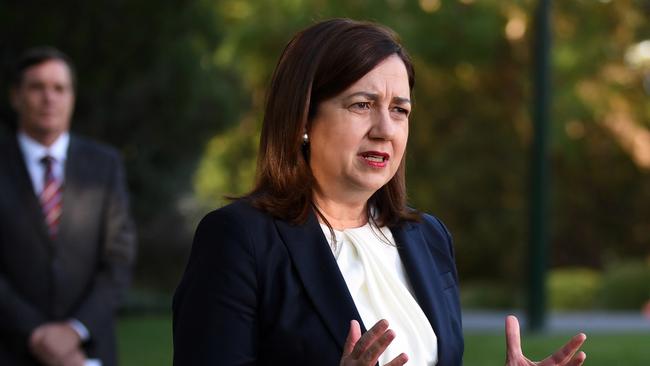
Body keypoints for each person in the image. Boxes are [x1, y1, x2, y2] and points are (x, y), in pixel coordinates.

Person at [173, 19, 587, 365]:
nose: (385, 130)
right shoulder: (238, 239)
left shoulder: (429, 237)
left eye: (399, 110)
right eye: (361, 105)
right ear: (303, 117)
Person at [0, 47, 137, 366]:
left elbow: (119, 259)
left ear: (72, 97)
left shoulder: (106, 165)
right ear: (15, 96)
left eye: (59, 88)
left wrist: (74, 331)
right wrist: (36, 333)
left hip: (87, 353)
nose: (49, 98)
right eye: (37, 87)